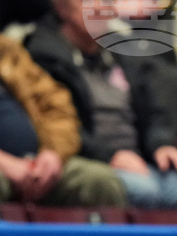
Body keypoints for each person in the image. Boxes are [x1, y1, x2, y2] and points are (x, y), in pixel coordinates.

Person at [23, 0, 177, 210]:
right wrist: (111, 156)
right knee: (143, 191)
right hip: (89, 162)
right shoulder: (45, 55)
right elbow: (56, 123)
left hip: (139, 160)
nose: (98, 7)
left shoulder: (125, 50)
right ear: (62, 6)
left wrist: (162, 144)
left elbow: (154, 107)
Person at [0, 34, 126, 208]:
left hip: (35, 163)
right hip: (5, 167)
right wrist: (5, 163)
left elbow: (57, 107)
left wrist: (52, 153)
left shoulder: (6, 50)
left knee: (100, 181)